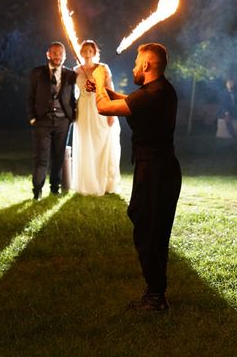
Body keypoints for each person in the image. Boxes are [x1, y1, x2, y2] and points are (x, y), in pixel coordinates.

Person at [90, 42, 181, 312]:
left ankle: (155, 297)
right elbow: (129, 103)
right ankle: (155, 291)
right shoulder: (158, 90)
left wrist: (97, 79)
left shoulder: (153, 93)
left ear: (146, 65)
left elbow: (106, 109)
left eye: (135, 63)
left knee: (149, 230)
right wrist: (103, 89)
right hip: (159, 168)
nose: (133, 67)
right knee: (150, 227)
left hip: (155, 171)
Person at [28, 41, 76, 200]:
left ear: (64, 56)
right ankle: (37, 190)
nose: (58, 56)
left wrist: (72, 116)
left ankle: (55, 187)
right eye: (55, 53)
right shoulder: (37, 73)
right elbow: (30, 96)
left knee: (59, 156)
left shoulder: (70, 74)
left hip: (63, 121)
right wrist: (32, 118)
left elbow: (74, 96)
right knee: (41, 156)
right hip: (42, 121)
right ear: (48, 54)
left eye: (61, 53)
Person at [72, 40, 121, 195]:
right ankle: (87, 182)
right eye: (84, 50)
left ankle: (104, 182)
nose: (87, 52)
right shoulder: (76, 70)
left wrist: (111, 112)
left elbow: (109, 89)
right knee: (86, 144)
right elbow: (72, 93)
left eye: (90, 50)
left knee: (101, 143)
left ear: (94, 52)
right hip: (83, 109)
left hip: (99, 107)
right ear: (81, 52)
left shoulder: (103, 68)